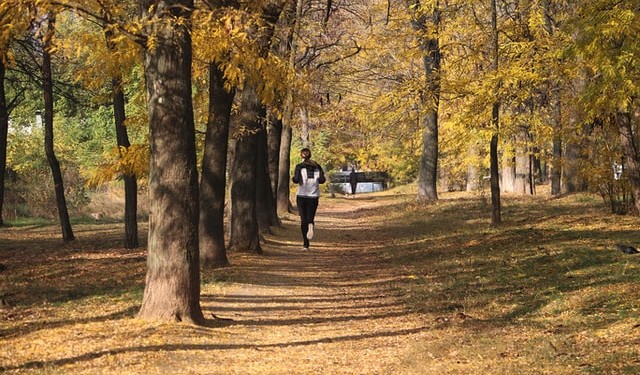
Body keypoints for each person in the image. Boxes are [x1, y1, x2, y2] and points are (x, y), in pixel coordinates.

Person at [292, 148, 326, 251]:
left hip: (301, 196)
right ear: (310, 155)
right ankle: (311, 224)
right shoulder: (317, 167)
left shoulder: (299, 167)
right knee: (310, 218)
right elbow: (322, 180)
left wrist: (293, 179)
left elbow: (296, 180)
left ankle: (305, 245)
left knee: (303, 220)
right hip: (313, 196)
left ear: (301, 155)